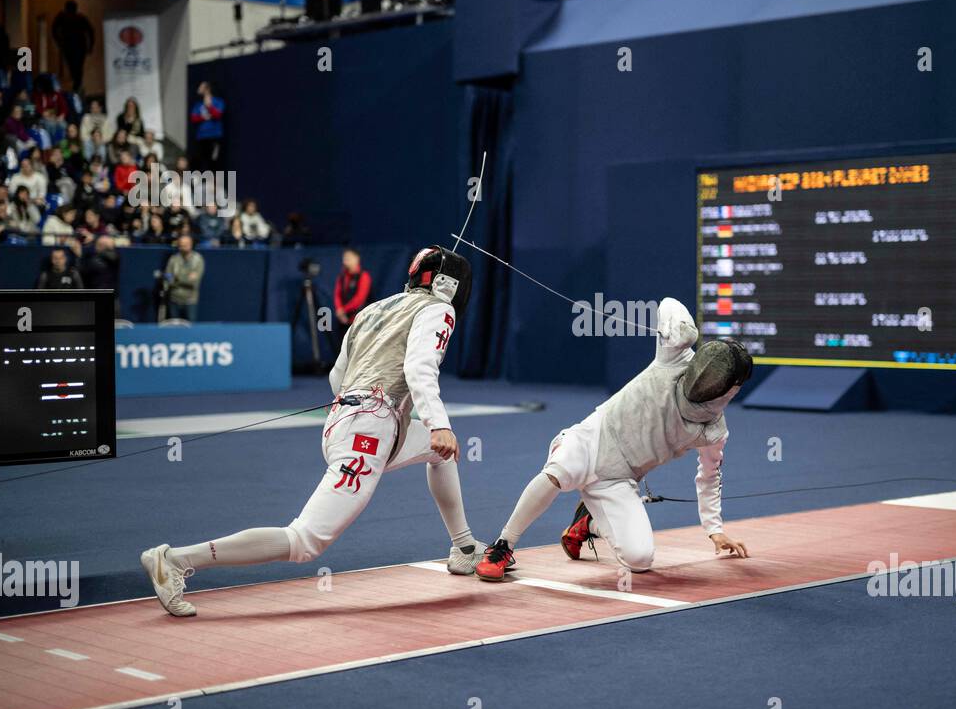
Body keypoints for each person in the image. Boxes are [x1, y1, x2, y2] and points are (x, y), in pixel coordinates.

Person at [140, 245, 487, 617]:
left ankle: (464, 547)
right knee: (305, 541)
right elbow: (421, 368)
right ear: (451, 285)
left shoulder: (373, 309)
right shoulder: (439, 309)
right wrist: (438, 424)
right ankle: (174, 561)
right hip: (368, 433)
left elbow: (337, 375)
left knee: (443, 452)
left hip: (349, 422)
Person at [475, 298, 751, 581]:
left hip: (619, 479)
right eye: (706, 365)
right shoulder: (674, 355)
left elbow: (709, 477)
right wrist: (684, 329)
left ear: (729, 390)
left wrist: (714, 530)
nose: (704, 376)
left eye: (716, 376)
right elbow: (668, 303)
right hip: (591, 441)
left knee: (640, 560)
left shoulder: (713, 430)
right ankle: (503, 545)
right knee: (558, 472)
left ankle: (588, 522)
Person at [333, 247, 372, 354]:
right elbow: (337, 295)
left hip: (360, 321)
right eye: (344, 258)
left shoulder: (364, 276)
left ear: (356, 259)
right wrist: (339, 311)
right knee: (343, 352)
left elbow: (360, 299)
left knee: (358, 352)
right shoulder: (341, 277)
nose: (345, 261)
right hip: (343, 321)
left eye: (348, 258)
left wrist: (344, 310)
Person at [51, 1, 95, 94]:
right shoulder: (65, 17)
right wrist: (59, 41)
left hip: (75, 46)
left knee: (76, 68)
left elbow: (90, 31)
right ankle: (76, 86)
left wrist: (58, 41)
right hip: (73, 46)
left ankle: (76, 86)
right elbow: (54, 29)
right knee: (76, 68)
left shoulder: (76, 18)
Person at [163, 233, 203, 321]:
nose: (183, 246)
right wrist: (185, 278)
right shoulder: (173, 259)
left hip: (190, 300)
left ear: (191, 244)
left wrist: (177, 278)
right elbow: (168, 276)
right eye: (181, 244)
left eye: (185, 244)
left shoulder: (198, 259)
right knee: (174, 330)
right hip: (174, 299)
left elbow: (193, 282)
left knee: (190, 330)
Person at [190, 81, 225, 171]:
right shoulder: (198, 104)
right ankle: (198, 182)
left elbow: (218, 115)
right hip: (201, 137)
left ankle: (213, 183)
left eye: (201, 87)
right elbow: (193, 118)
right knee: (198, 160)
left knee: (213, 161)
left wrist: (209, 106)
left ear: (207, 89)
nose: (198, 89)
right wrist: (204, 117)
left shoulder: (218, 101)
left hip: (214, 136)